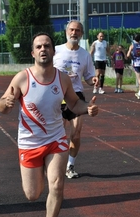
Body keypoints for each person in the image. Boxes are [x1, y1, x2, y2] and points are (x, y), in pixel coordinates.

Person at [0, 32, 98, 217]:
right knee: (33, 194)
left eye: (47, 46)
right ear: (33, 52)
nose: (43, 49)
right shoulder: (22, 78)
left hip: (56, 139)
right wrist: (5, 103)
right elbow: (2, 107)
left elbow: (73, 104)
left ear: (53, 50)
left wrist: (86, 108)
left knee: (57, 185)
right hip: (30, 143)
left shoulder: (62, 78)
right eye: (39, 46)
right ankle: (41, 170)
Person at [53, 20, 98, 179]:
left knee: (76, 135)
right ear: (66, 31)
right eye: (72, 30)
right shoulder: (56, 51)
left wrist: (92, 79)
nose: (74, 33)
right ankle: (53, 165)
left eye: (77, 30)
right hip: (57, 95)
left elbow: (87, 76)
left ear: (81, 34)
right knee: (56, 135)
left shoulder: (85, 55)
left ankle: (70, 166)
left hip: (76, 96)